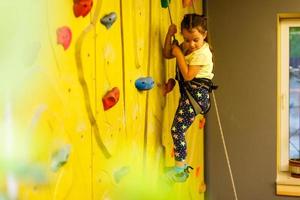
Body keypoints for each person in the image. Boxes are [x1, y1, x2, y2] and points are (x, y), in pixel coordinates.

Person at [163, 13, 216, 182]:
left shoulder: (203, 53)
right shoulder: (187, 47)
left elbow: (187, 75)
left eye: (195, 39)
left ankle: (180, 169)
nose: (191, 44)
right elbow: (167, 53)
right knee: (177, 130)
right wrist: (170, 35)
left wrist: (179, 52)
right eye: (186, 40)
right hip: (190, 96)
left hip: (197, 97)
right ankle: (180, 167)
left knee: (177, 130)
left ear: (204, 36)